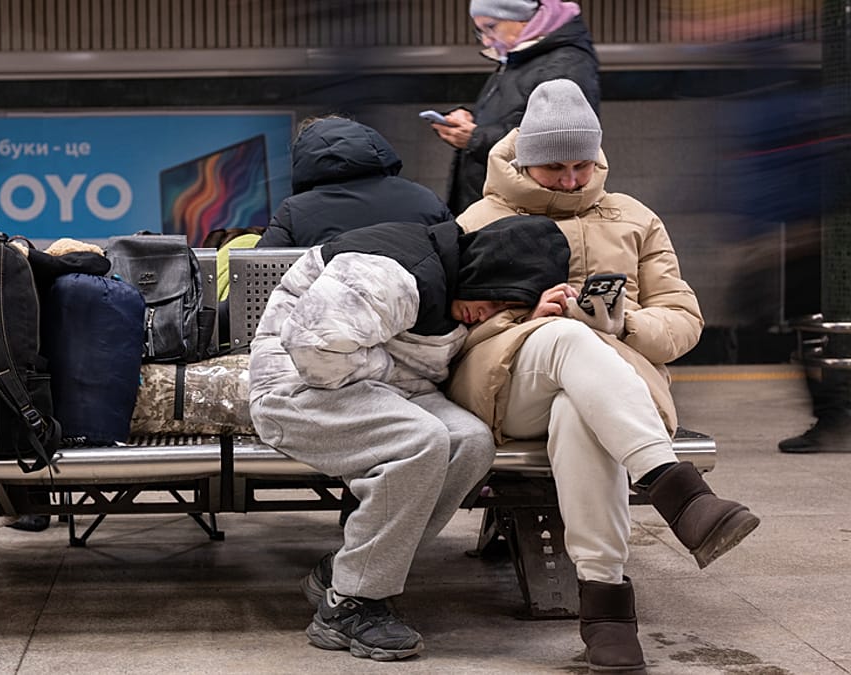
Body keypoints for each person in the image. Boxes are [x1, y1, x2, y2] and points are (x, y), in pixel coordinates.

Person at [447, 79, 760, 673]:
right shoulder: (477, 221)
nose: (571, 181)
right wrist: (527, 316)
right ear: (524, 161)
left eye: (582, 165)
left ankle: (606, 609)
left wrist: (625, 324)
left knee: (578, 411)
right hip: (507, 381)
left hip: (615, 388)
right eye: (554, 168)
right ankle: (678, 490)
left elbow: (684, 319)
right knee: (565, 336)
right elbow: (452, 325)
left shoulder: (635, 217)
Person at [249, 214, 572, 661]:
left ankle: (347, 570)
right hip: (295, 388)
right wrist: (388, 370)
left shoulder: (459, 283)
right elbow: (313, 350)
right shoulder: (393, 271)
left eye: (506, 306)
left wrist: (522, 319)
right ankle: (351, 604)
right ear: (483, 268)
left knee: (471, 442)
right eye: (494, 296)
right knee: (419, 440)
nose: (488, 311)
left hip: (385, 388)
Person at [432, 0, 599, 215]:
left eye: (491, 26)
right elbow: (516, 116)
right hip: (505, 204)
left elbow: (561, 141)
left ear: (524, 20)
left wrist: (475, 137)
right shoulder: (524, 55)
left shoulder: (565, 63)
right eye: (480, 31)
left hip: (526, 211)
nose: (486, 40)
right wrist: (471, 120)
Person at [256, 115, 452, 248]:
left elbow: (257, 275)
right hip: (419, 298)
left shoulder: (294, 211)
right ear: (373, 144)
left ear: (304, 158)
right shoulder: (425, 198)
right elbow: (456, 259)